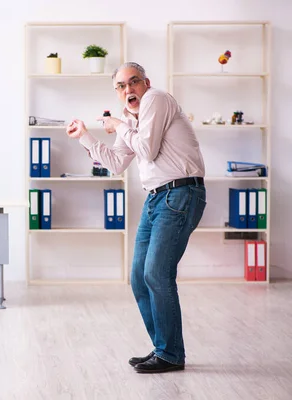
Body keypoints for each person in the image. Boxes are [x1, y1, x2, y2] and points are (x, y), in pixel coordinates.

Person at [66, 62, 206, 374]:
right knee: (139, 277)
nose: (128, 90)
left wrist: (120, 126)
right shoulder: (130, 119)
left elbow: (147, 148)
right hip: (157, 197)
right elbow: (116, 164)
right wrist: (86, 137)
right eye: (121, 86)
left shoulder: (156, 99)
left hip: (180, 194)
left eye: (134, 82)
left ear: (146, 83)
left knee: (156, 273)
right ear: (116, 92)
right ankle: (165, 349)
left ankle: (170, 354)